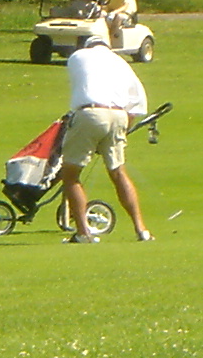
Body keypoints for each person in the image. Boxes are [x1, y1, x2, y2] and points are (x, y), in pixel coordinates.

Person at [58, 27, 153, 243]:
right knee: (119, 172)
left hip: (90, 113)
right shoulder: (122, 63)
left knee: (70, 175)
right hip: (119, 115)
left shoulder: (78, 56)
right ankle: (141, 230)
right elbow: (136, 104)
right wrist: (120, 132)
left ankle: (83, 233)